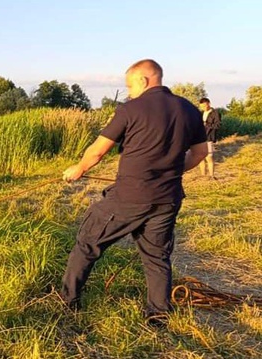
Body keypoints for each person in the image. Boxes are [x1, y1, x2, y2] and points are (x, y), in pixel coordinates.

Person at [60, 59, 209, 327]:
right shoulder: (189, 109)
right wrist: (169, 172)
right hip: (168, 198)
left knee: (87, 244)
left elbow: (98, 150)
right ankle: (158, 315)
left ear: (143, 80)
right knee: (157, 257)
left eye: (130, 86)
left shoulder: (130, 109)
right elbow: (200, 154)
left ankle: (67, 301)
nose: (129, 92)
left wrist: (78, 168)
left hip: (129, 197)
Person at [198, 97, 221, 179]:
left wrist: (206, 126)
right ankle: (203, 175)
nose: (203, 108)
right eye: (202, 106)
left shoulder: (215, 113)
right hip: (199, 137)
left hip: (209, 137)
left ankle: (212, 176)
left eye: (205, 106)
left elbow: (217, 125)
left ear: (209, 103)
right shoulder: (200, 113)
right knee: (200, 157)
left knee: (209, 157)